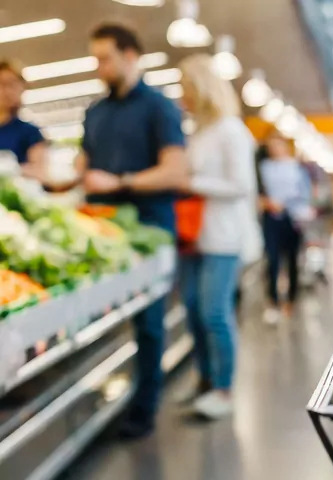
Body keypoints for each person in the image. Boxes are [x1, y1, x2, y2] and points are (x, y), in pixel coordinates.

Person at [76, 24, 187, 438]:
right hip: (103, 233)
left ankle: (144, 407)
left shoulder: (160, 107)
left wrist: (119, 182)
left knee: (149, 324)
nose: (98, 66)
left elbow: (176, 171)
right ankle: (102, 399)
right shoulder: (95, 112)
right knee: (99, 321)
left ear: (130, 55)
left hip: (150, 229)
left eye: (104, 57)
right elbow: (83, 167)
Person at [176, 54, 261, 418]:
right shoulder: (200, 132)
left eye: (186, 89)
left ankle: (224, 390)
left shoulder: (230, 130)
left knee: (214, 313)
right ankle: (205, 379)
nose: (183, 97)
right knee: (194, 310)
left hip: (224, 237)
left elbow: (241, 185)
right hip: (195, 236)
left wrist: (191, 183)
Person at [258, 134, 313, 324]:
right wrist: (266, 203)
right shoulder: (263, 169)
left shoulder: (296, 168)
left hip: (293, 218)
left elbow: (305, 194)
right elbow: (257, 193)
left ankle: (291, 299)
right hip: (271, 219)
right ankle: (273, 300)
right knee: (272, 260)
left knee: (292, 260)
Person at [0, 59, 47, 170]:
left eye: (13, 84)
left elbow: (39, 171)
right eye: (2, 84)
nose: (7, 91)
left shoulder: (30, 133)